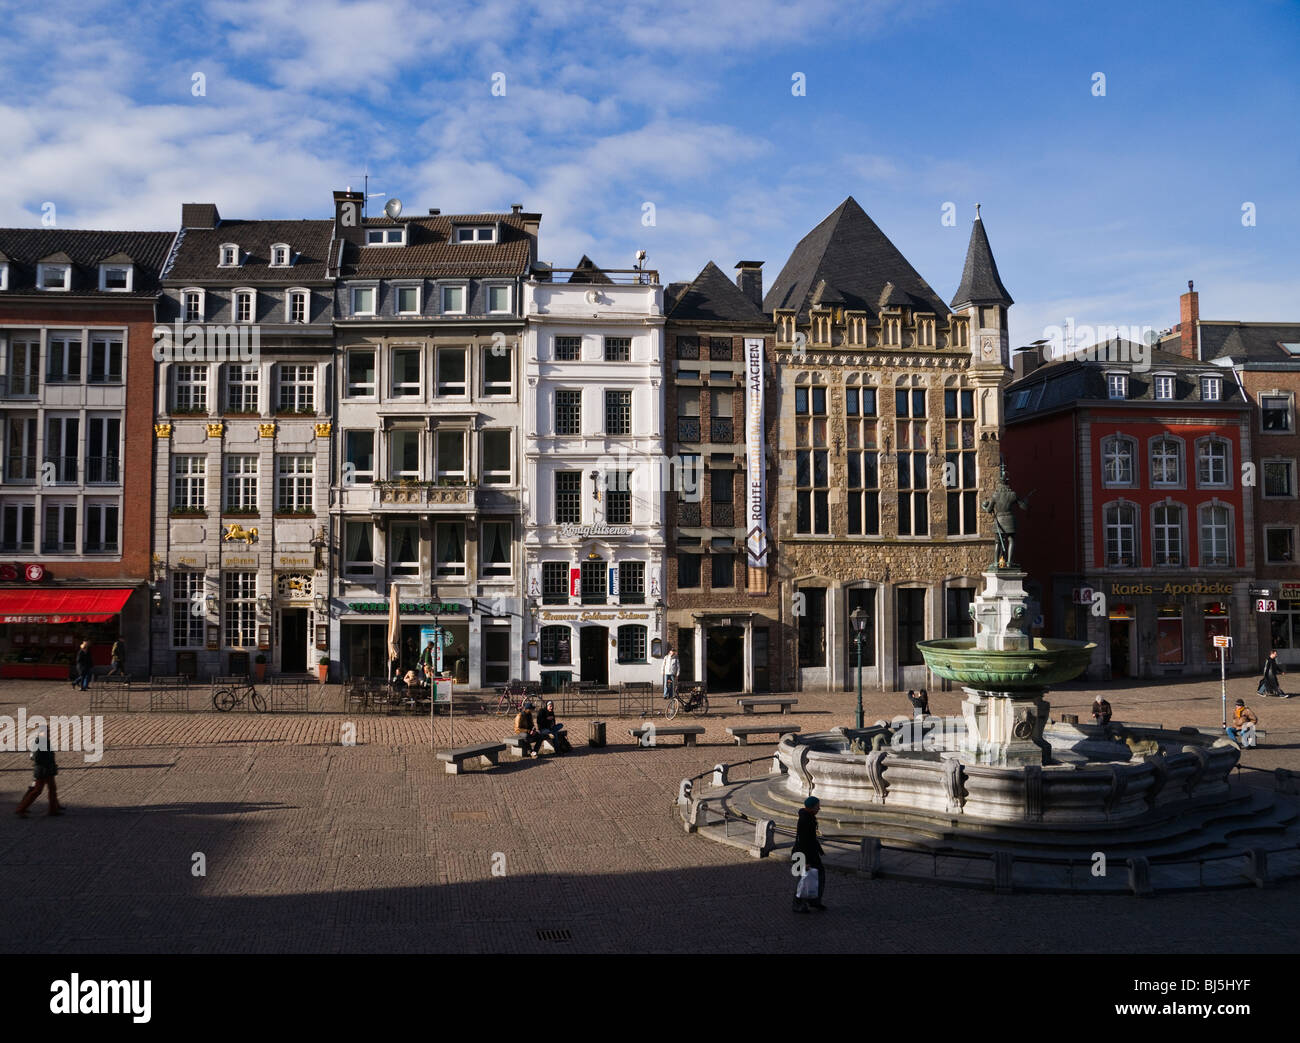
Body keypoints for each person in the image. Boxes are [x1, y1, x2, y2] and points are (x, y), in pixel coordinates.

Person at [15, 726, 63, 818]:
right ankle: (21, 809)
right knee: (37, 791)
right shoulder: (40, 742)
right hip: (42, 771)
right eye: (46, 732)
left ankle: (53, 809)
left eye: (48, 731)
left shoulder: (45, 741)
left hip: (48, 770)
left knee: (52, 789)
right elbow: (36, 758)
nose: (48, 733)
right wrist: (47, 764)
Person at [792, 796, 826, 913]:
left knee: (816, 876)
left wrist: (820, 850)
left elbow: (810, 839)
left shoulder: (809, 817)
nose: (819, 808)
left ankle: (814, 901)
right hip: (804, 855)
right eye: (817, 806)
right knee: (803, 880)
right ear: (811, 807)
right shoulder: (805, 820)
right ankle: (799, 905)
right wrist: (805, 862)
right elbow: (803, 841)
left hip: (809, 853)